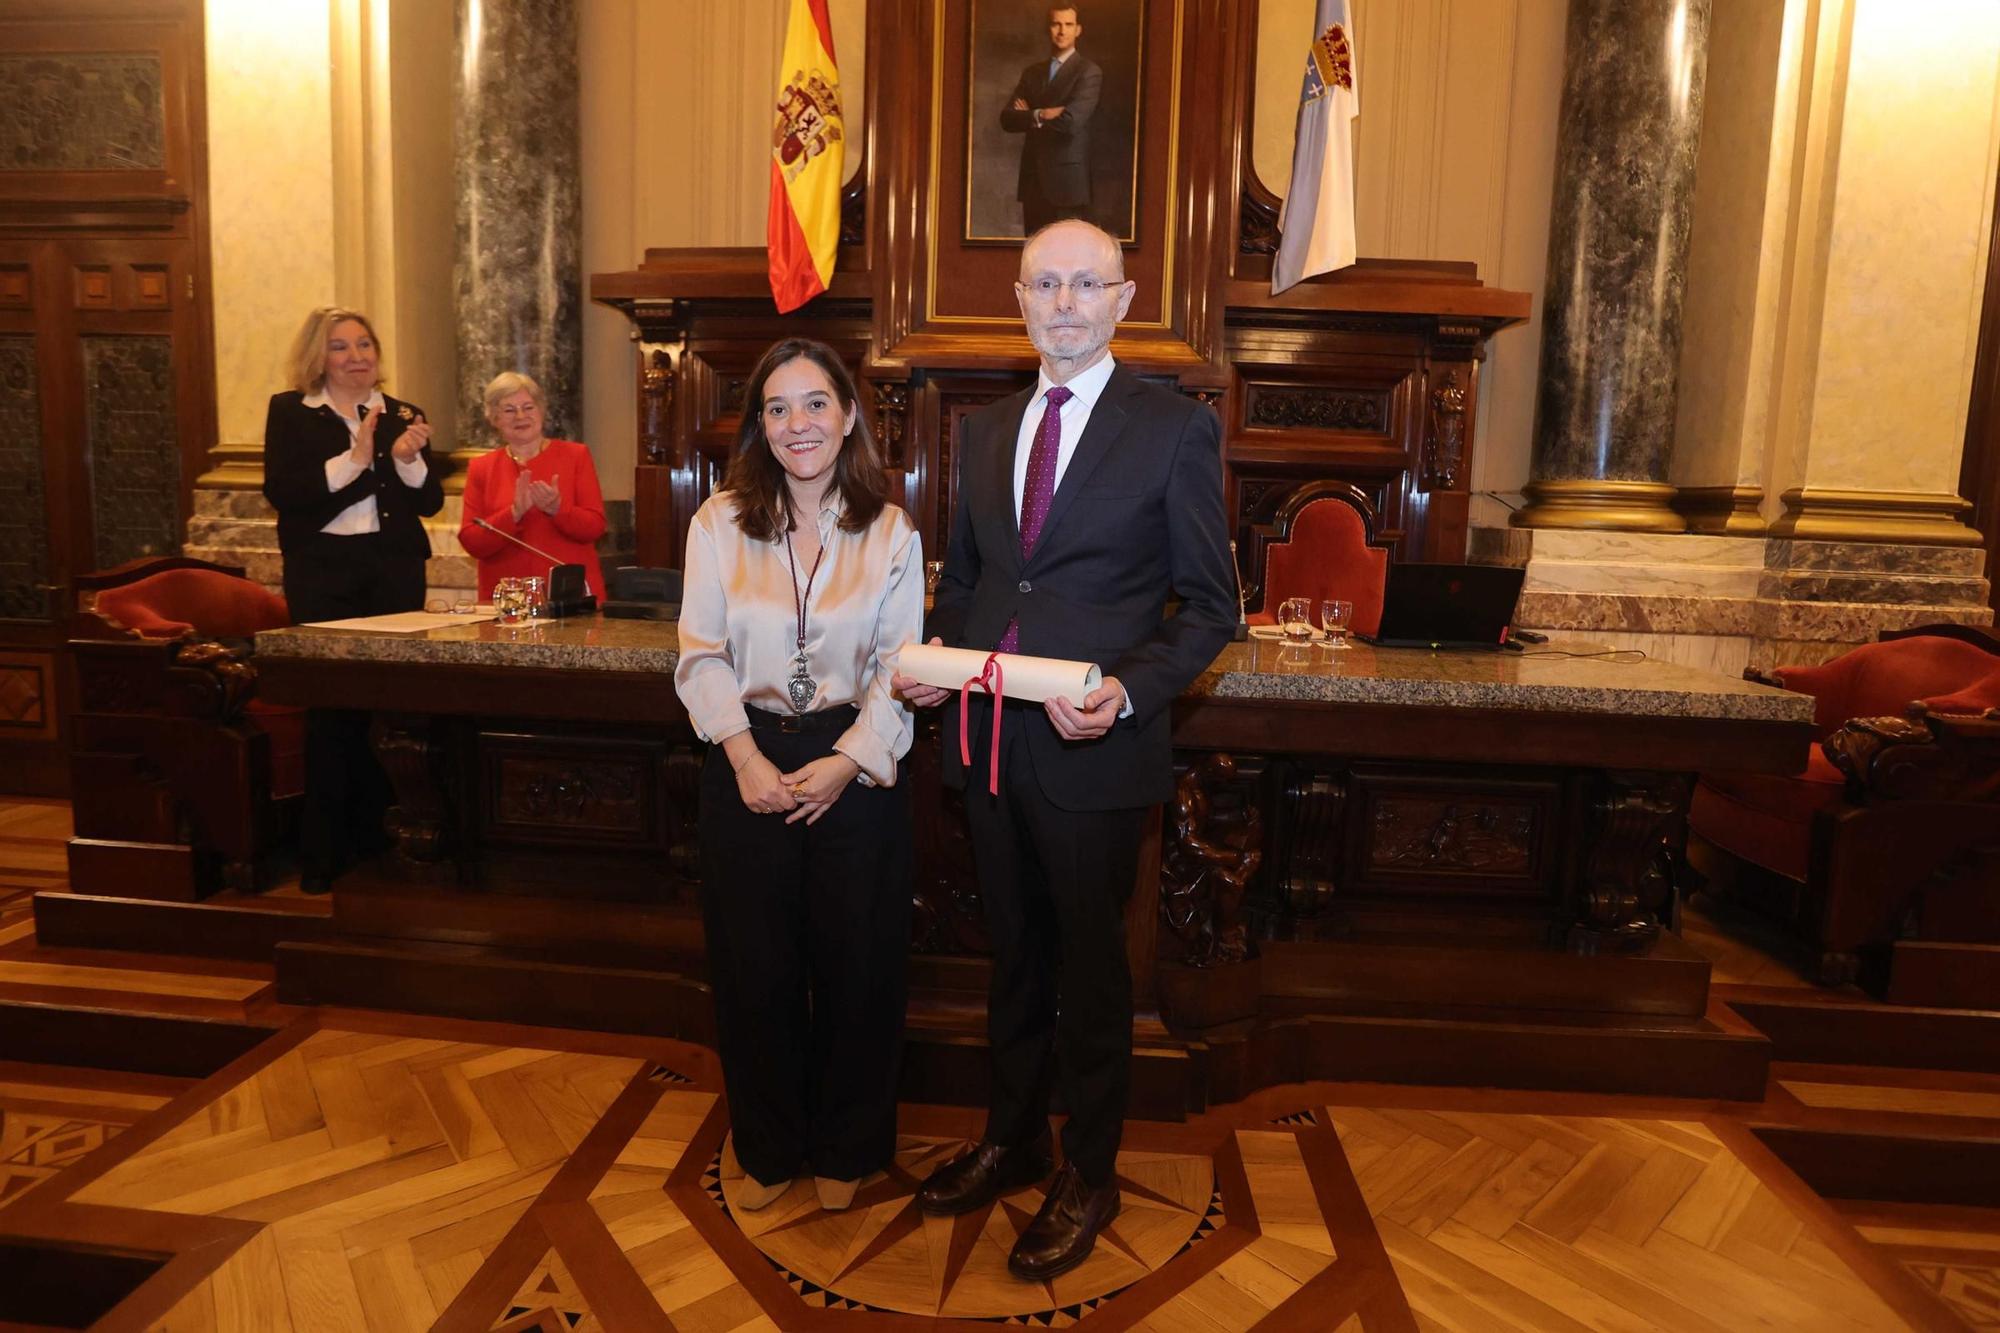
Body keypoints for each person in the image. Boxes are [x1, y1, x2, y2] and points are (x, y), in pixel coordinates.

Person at [893, 220, 1234, 1280]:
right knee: (1012, 957)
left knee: (1089, 973)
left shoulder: (1173, 427)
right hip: (987, 743)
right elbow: (969, 582)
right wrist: (932, 659)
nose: (1066, 301)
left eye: (1087, 283)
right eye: (1045, 283)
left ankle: (1089, 1167)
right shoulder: (986, 427)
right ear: (1021, 300)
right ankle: (1013, 1137)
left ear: (1124, 299)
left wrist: (1128, 692)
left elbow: (1208, 607)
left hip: (1091, 752)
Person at [674, 337, 923, 1216]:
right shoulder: (717, 523)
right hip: (744, 760)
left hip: (854, 764)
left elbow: (901, 668)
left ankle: (850, 1144)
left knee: (860, 969)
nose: (797, 424)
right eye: (777, 409)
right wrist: (742, 756)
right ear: (761, 428)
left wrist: (848, 760)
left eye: (814, 403)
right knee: (755, 971)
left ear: (848, 415)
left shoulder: (891, 531)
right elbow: (701, 657)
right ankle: (768, 1146)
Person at [262, 306, 444, 893]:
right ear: (320, 357)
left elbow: (430, 502)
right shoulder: (291, 412)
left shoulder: (402, 413)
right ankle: (326, 855)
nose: (357, 357)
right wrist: (358, 460)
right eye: (341, 347)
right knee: (333, 711)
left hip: (392, 573)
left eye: (364, 345)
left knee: (391, 709)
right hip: (324, 576)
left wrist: (408, 460)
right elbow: (287, 493)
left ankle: (385, 845)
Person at [457, 371, 607, 601]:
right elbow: (471, 541)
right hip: (507, 600)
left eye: (528, 407)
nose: (520, 416)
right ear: (493, 418)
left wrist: (558, 510)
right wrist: (513, 514)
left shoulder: (576, 456)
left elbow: (595, 527)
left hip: (568, 596)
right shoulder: (481, 467)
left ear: (541, 411)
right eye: (509, 410)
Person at [1000, 5, 1102, 234]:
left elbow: (1070, 122)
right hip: (1033, 181)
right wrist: (1041, 113)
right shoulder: (1032, 73)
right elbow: (1007, 119)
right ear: (1048, 29)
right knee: (1035, 261)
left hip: (1068, 185)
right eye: (1056, 24)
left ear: (1078, 30)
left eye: (1068, 24)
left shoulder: (1088, 72)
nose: (1061, 31)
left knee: (1067, 261)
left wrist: (1029, 115)